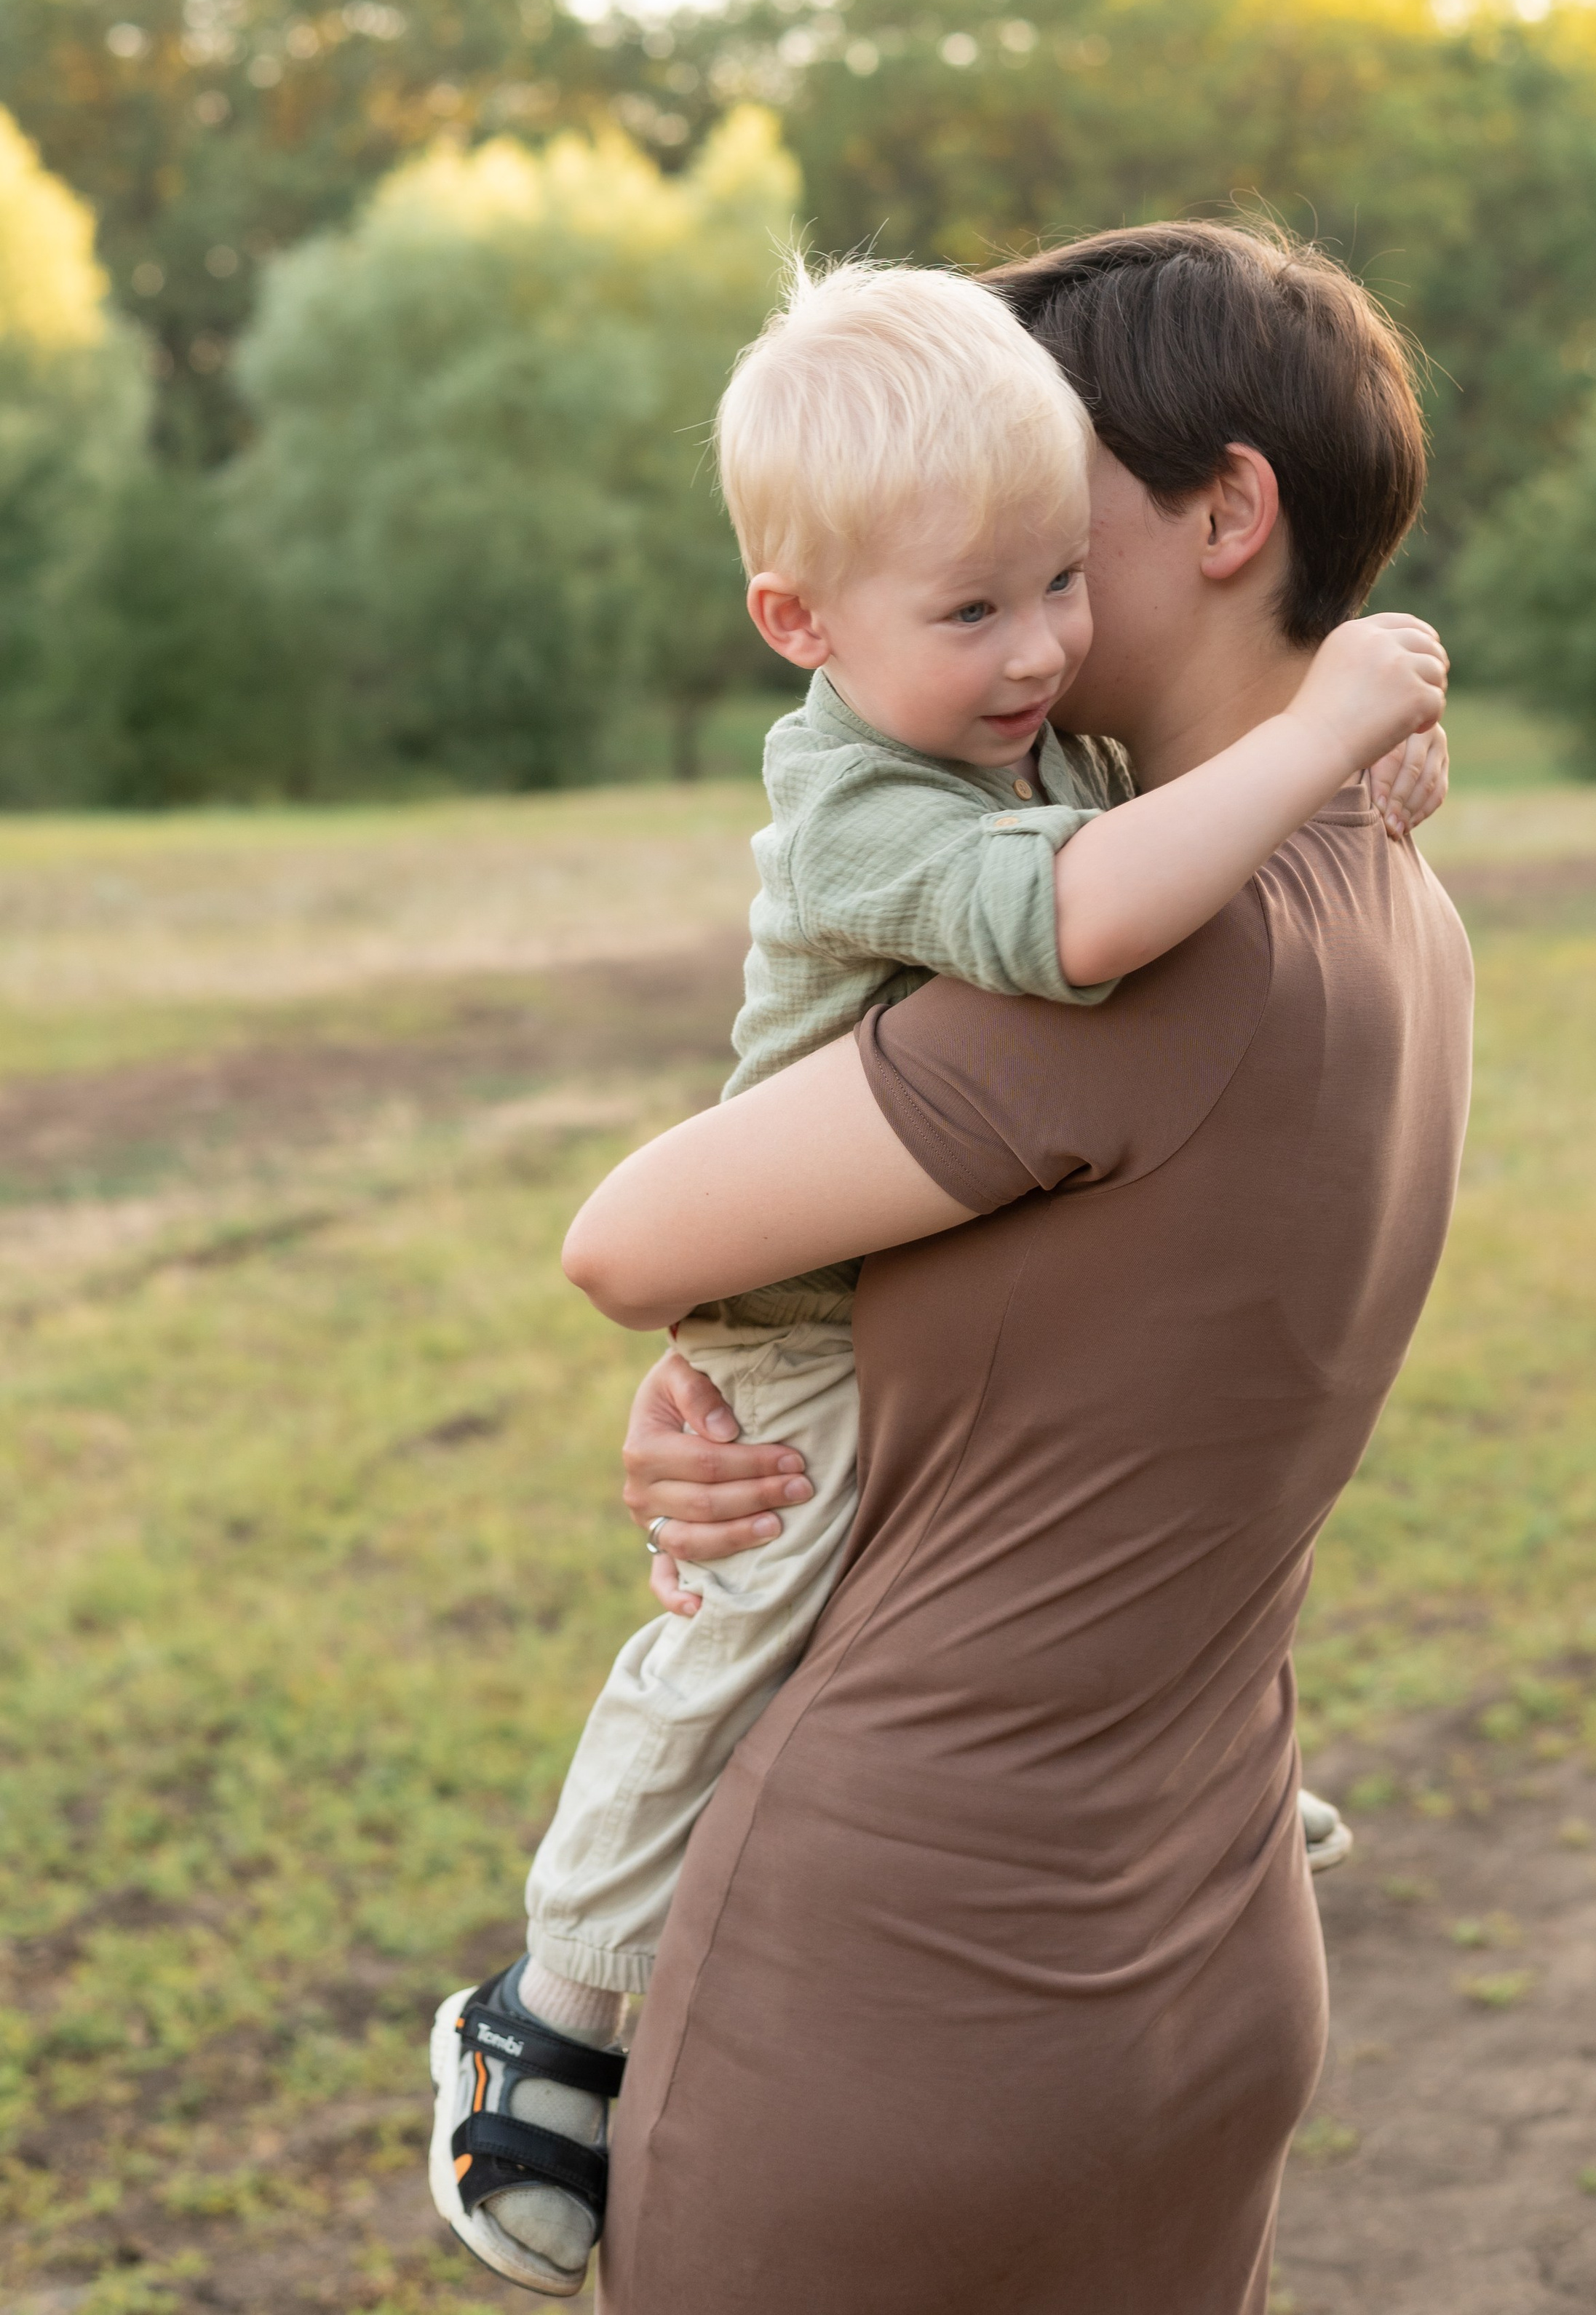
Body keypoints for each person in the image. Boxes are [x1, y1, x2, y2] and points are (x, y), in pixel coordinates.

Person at [425, 252, 1450, 2295]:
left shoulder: (1156, 945)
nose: (1030, 612)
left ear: (1223, 515)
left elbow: (624, 1235)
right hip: (1210, 1921)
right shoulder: (1397, 897)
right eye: (974, 582)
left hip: (912, 1977)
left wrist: (708, 1320)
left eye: (1058, 543)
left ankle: (547, 2016)